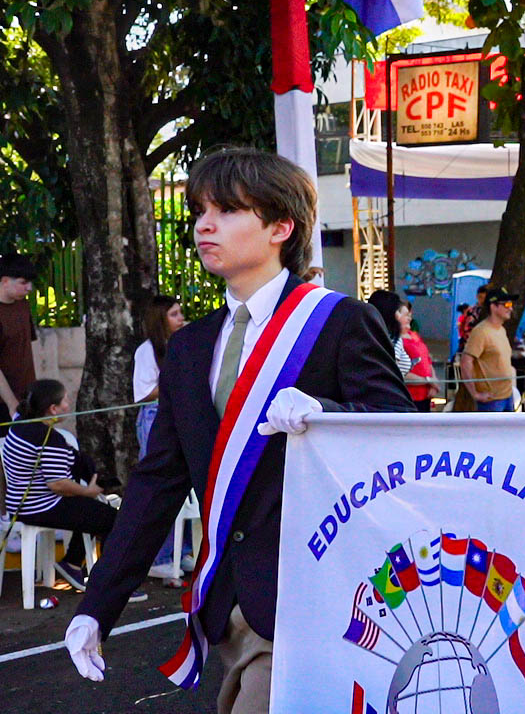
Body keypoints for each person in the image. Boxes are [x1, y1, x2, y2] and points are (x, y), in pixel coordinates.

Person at [66, 148, 415, 711]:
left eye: (227, 210)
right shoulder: (190, 346)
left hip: (324, 594)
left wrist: (326, 411)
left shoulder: (339, 321)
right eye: (201, 210)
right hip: (228, 601)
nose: (205, 224)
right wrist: (97, 605)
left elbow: (399, 431)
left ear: (282, 226)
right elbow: (158, 483)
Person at [3, 380, 147, 602]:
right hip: (41, 506)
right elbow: (58, 484)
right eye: (65, 401)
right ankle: (110, 584)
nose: (69, 405)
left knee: (95, 512)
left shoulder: (20, 423)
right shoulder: (49, 439)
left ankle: (71, 564)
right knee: (114, 520)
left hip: (21, 504)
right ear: (53, 409)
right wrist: (87, 491)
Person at [132, 294, 189, 583]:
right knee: (161, 484)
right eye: (174, 314)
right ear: (160, 320)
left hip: (182, 414)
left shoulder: (184, 344)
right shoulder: (147, 351)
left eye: (180, 313)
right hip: (156, 417)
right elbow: (143, 393)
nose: (181, 319)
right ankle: (161, 557)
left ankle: (184, 550)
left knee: (187, 483)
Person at [460, 286, 519, 413]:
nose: (511, 308)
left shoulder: (502, 330)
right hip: (491, 401)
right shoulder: (481, 332)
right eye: (507, 304)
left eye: (511, 304)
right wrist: (474, 393)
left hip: (507, 396)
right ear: (493, 306)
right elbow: (465, 361)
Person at [0, 253, 37, 416]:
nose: (29, 288)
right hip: (5, 404)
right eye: (23, 282)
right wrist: (11, 403)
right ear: (5, 281)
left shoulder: (23, 305)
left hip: (27, 397)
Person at [400, 301, 438, 413]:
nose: (409, 318)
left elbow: (427, 360)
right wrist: (427, 380)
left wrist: (433, 381)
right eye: (406, 315)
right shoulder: (396, 341)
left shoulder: (414, 335)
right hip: (410, 396)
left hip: (425, 394)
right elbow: (400, 371)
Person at [368, 290, 413, 376]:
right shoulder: (393, 339)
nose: (400, 316)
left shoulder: (367, 335)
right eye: (399, 311)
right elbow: (390, 369)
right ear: (390, 313)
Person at [457, 285, 488, 355]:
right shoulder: (471, 311)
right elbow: (466, 328)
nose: (482, 300)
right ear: (477, 296)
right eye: (480, 297)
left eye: (484, 298)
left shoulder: (489, 311)